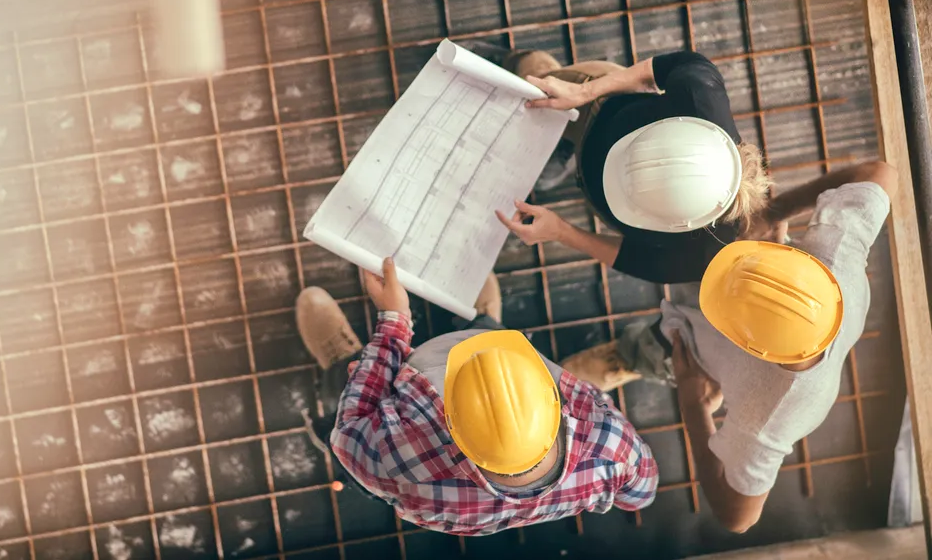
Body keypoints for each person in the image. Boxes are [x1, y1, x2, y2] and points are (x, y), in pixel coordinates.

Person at [557, 160, 898, 532]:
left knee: (659, 349)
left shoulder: (766, 418)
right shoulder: (836, 255)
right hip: (743, 303)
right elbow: (881, 173)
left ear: (746, 344)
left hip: (695, 354)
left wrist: (694, 406)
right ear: (802, 264)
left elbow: (738, 516)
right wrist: (774, 212)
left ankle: (632, 356)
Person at [297, 260, 658, 535]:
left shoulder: (403, 463)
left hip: (400, 430)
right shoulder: (611, 446)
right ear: (557, 405)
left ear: (448, 422)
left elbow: (349, 431)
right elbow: (639, 496)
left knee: (347, 385)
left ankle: (343, 360)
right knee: (489, 335)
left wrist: (394, 321)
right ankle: (485, 325)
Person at [465, 43, 773, 285]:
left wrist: (560, 231)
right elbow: (664, 67)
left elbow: (634, 259)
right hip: (598, 105)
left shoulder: (703, 253)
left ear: (678, 224)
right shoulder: (699, 94)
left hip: (593, 164)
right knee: (535, 82)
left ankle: (566, 154)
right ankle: (518, 59)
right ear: (675, 123)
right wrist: (582, 91)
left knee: (543, 169)